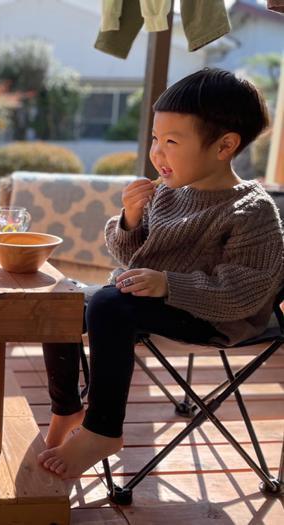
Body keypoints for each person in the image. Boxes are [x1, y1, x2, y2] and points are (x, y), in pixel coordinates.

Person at [38, 68, 284, 479]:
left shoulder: (252, 210)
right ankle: (67, 408)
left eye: (171, 142)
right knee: (60, 300)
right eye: (156, 139)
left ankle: (103, 429)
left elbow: (245, 293)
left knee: (110, 303)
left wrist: (169, 284)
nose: (157, 153)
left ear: (225, 146)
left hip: (217, 318)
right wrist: (131, 220)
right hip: (151, 304)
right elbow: (132, 258)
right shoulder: (168, 194)